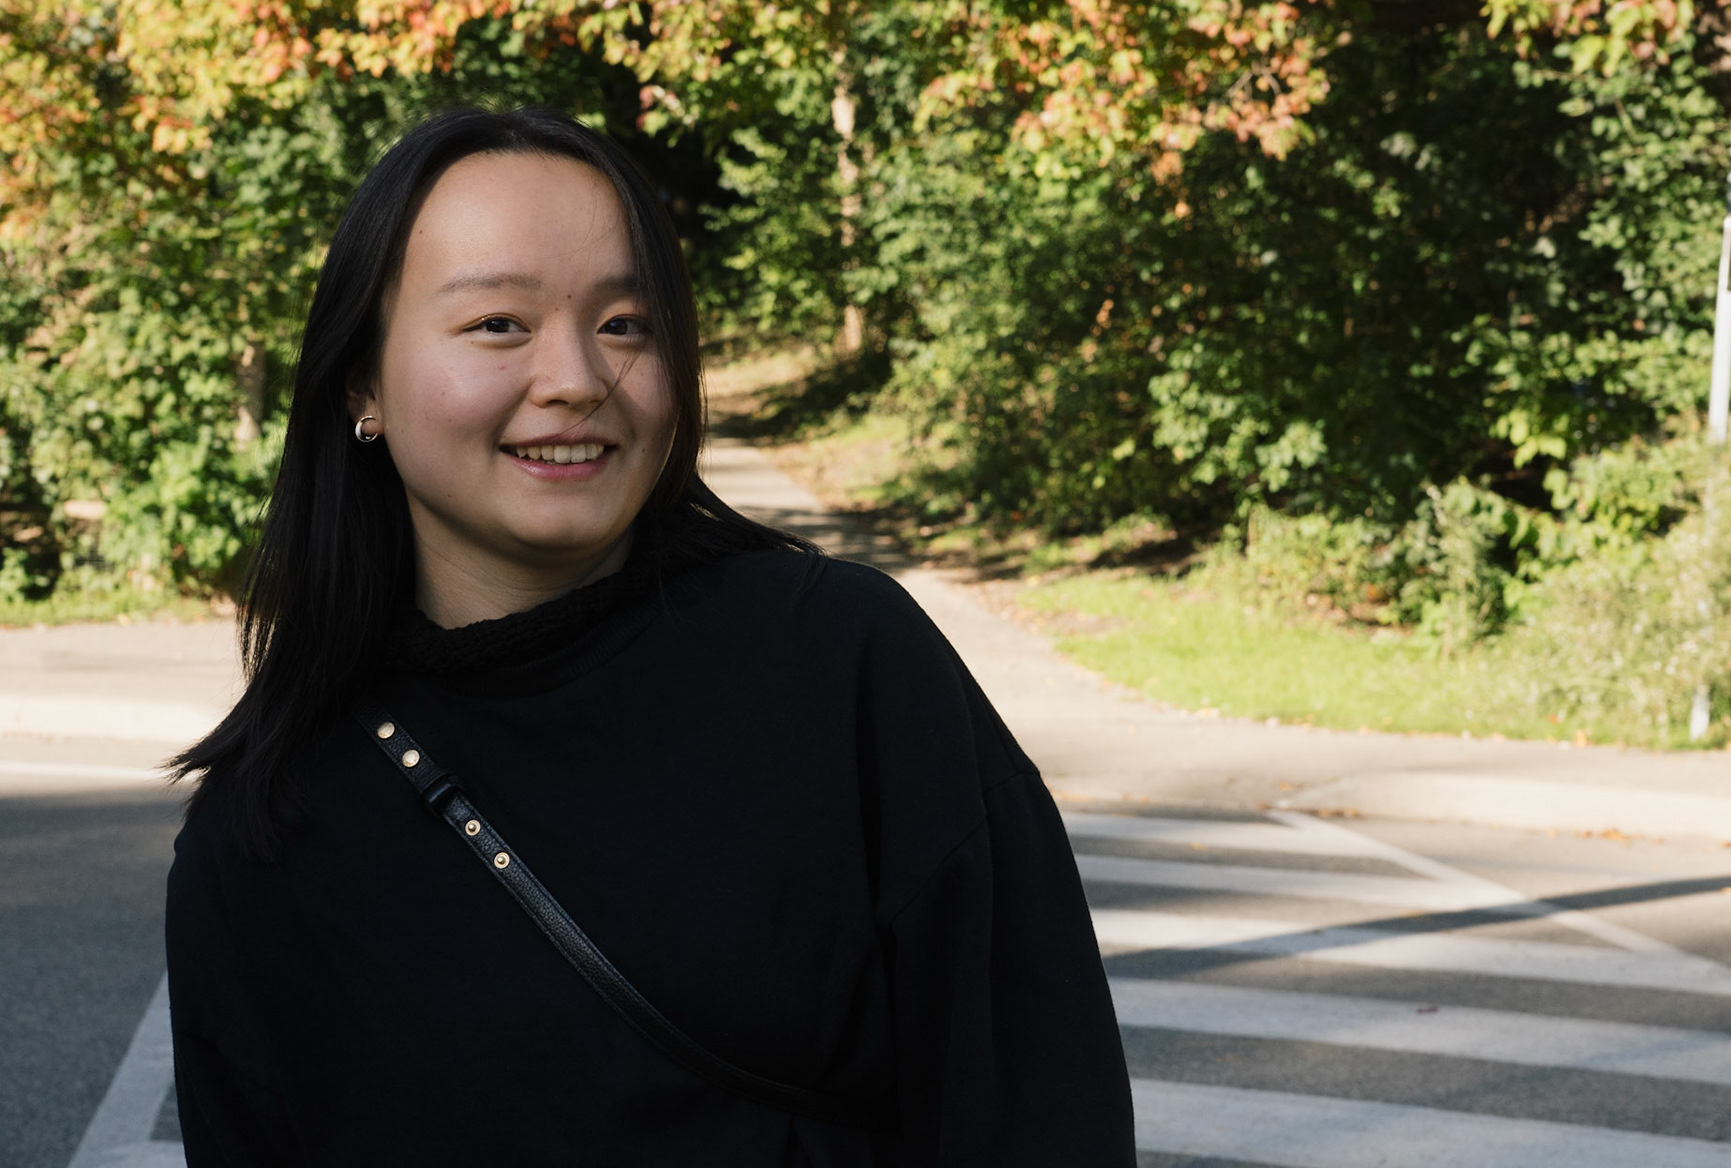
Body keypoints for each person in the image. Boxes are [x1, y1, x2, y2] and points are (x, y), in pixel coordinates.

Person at [164, 107, 1136, 1166]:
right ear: (362, 382)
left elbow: (1040, 1096)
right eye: (499, 323)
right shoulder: (266, 833)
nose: (578, 377)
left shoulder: (841, 666)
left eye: (626, 323)